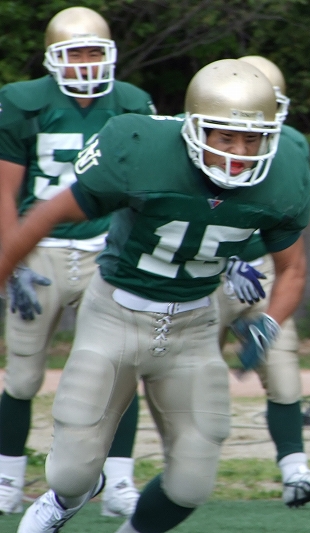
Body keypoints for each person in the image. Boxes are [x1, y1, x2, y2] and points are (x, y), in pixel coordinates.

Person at [0, 58, 310, 533]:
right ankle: (66, 499)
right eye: (226, 137)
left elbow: (293, 270)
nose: (239, 153)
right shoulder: (142, 148)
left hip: (195, 325)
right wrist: (8, 267)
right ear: (195, 129)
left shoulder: (285, 171)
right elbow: (49, 213)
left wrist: (269, 323)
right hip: (116, 312)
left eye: (252, 140)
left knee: (192, 483)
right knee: (71, 471)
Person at [0, 6, 155, 518]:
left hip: (106, 251)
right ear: (52, 58)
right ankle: (7, 479)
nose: (86, 63)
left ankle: (119, 482)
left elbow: (145, 187)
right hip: (41, 249)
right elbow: (5, 189)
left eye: (94, 52)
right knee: (22, 377)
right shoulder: (21, 101)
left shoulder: (130, 103)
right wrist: (12, 258)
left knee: (121, 368)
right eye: (75, 53)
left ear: (110, 55)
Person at [212, 54, 310, 507]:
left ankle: (295, 472)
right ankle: (172, 473)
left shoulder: (292, 147)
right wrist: (224, 259)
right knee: (191, 378)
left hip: (263, 269)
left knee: (283, 368)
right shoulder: (203, 143)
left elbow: (285, 227)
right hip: (201, 271)